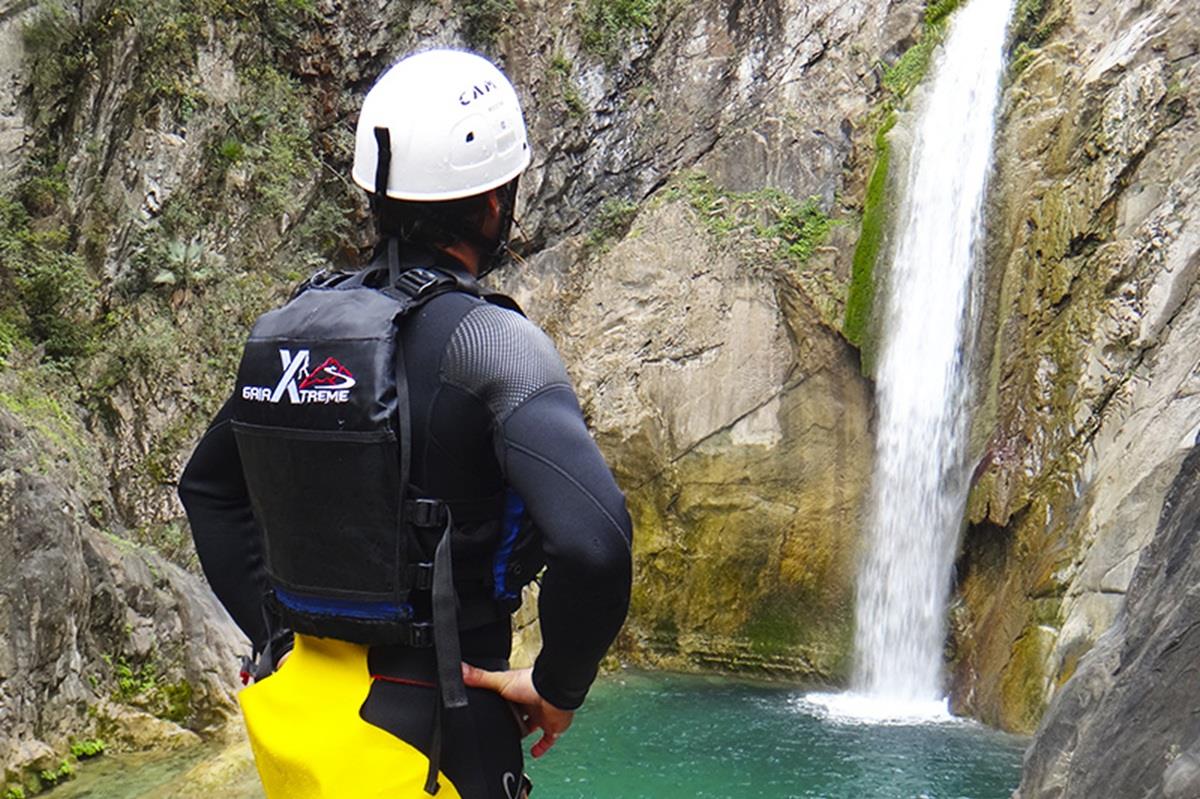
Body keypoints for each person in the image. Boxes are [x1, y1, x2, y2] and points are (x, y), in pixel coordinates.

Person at [178, 48, 633, 799]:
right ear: (494, 204)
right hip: (443, 728)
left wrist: (275, 634)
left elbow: (209, 490)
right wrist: (559, 684)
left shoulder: (290, 331)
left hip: (307, 727)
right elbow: (595, 543)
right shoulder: (489, 344)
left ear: (373, 192)